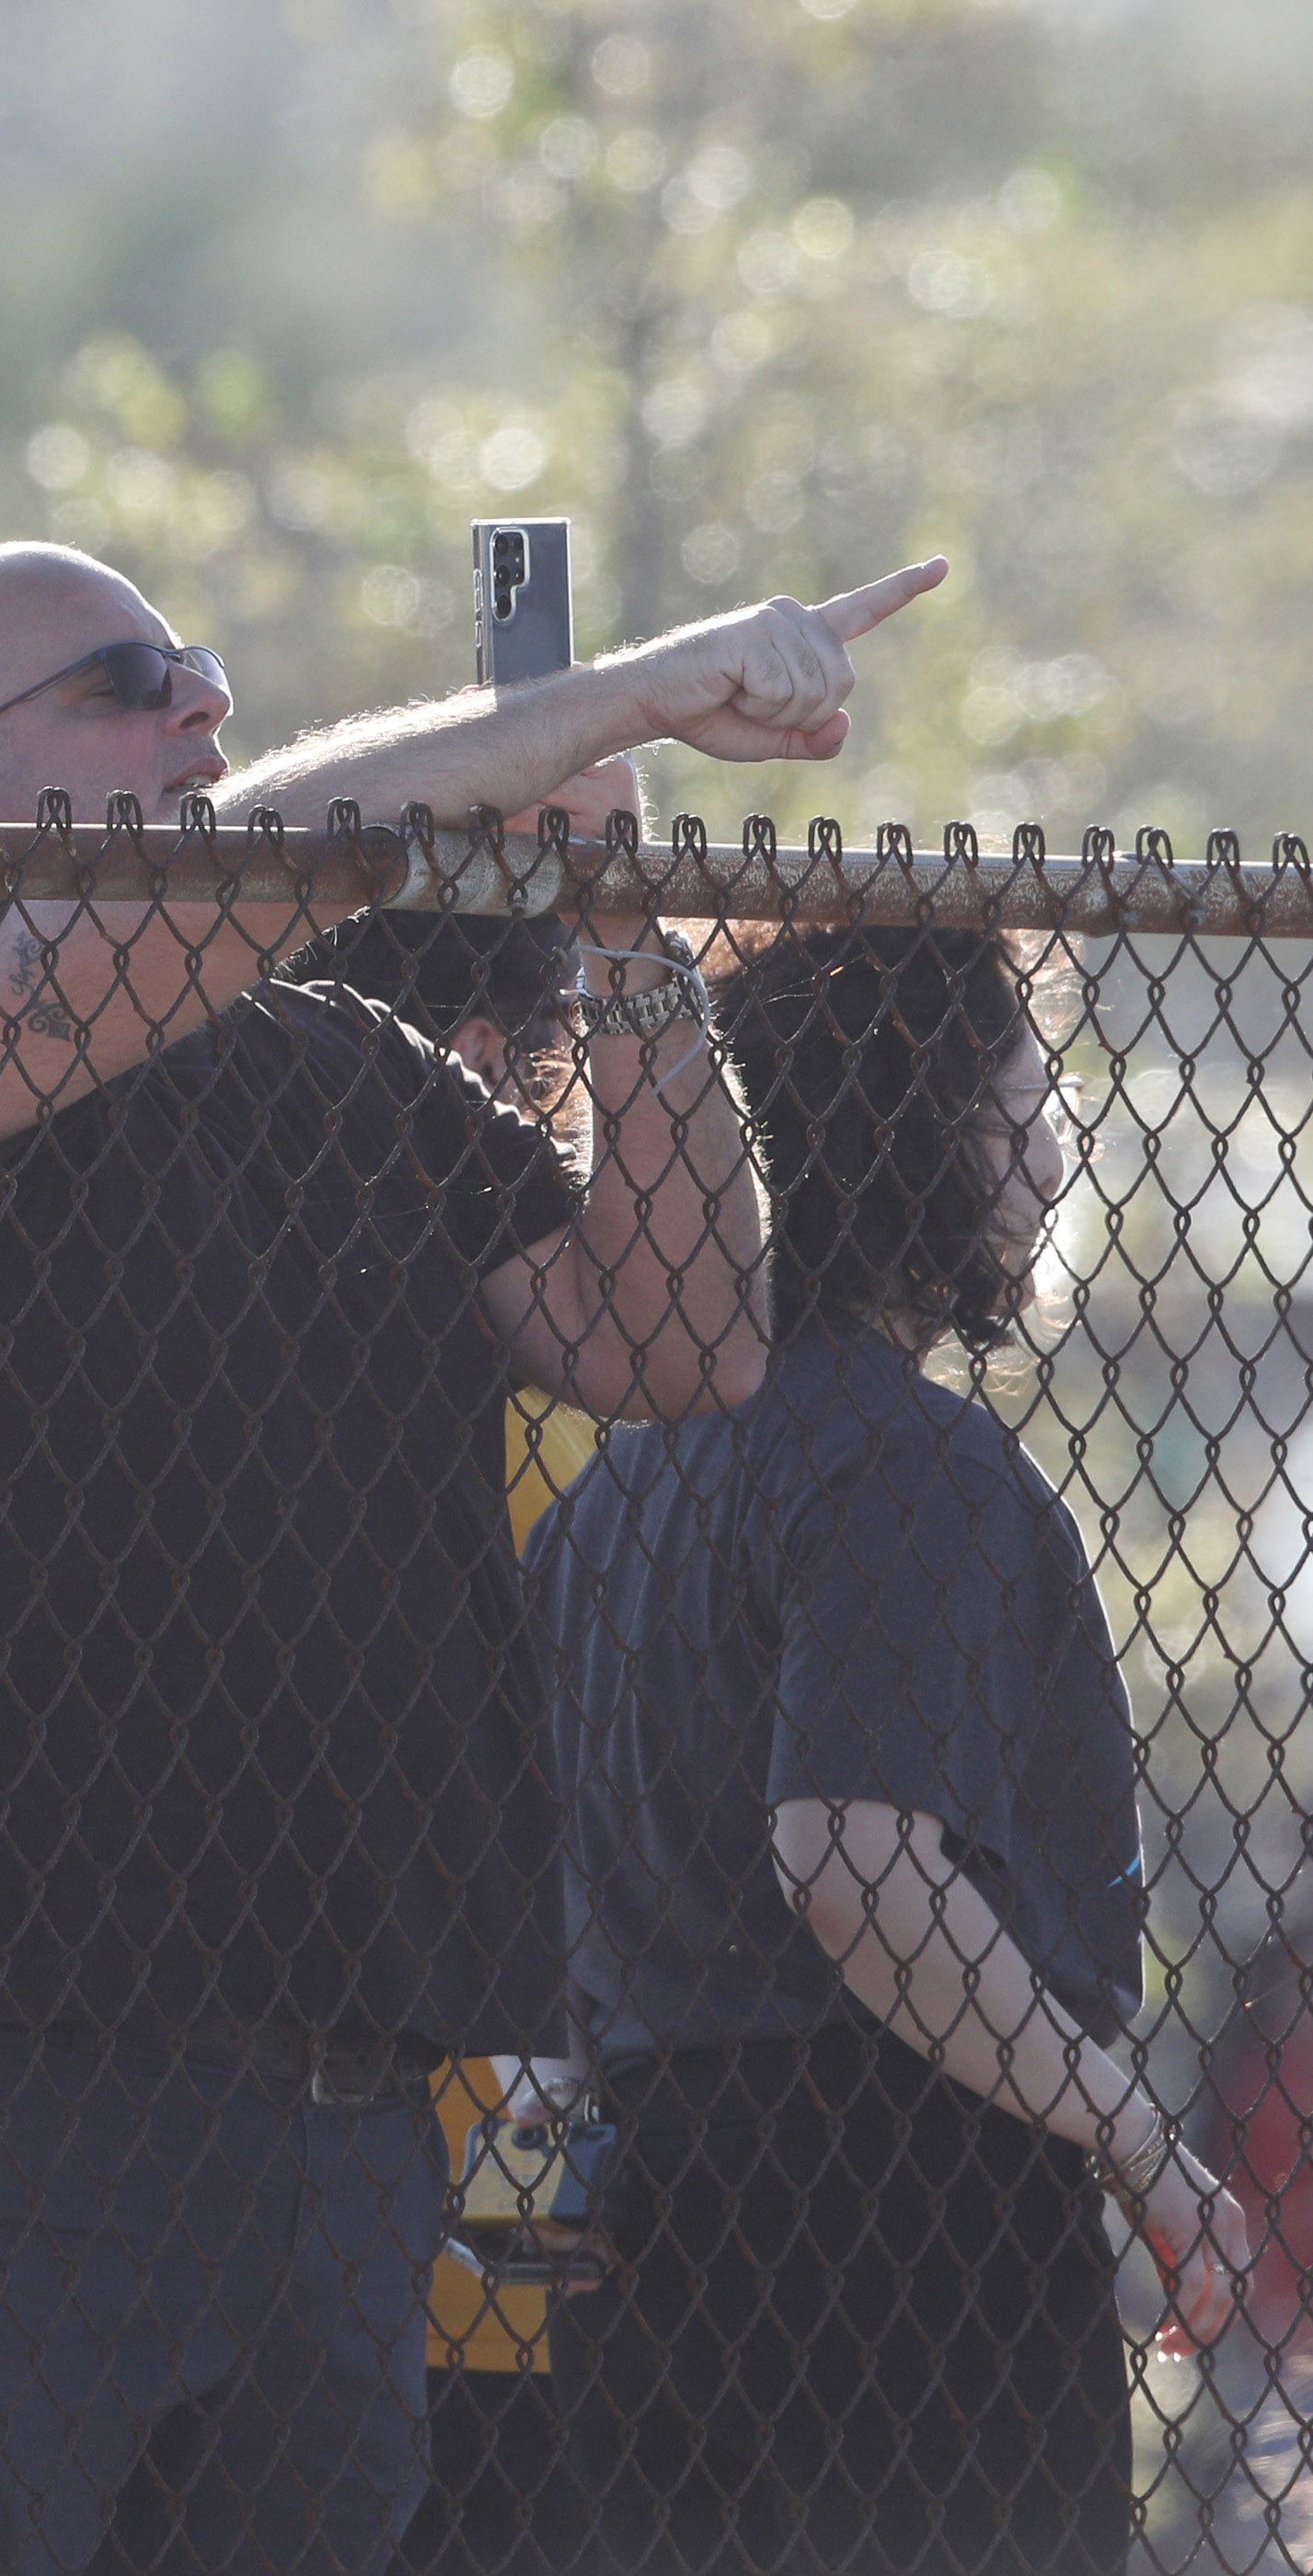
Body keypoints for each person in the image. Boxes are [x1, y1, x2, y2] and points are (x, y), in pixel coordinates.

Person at [0, 535, 909, 2570]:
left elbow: (676, 1337)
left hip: (360, 2092)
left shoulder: (329, 1057)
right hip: (46, 2081)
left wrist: (620, 923)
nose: (204, 706)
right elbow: (169, 916)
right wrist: (598, 693)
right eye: (131, 680)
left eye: (201, 666)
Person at [531, 925, 1252, 2574]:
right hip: (901, 2212)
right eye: (1018, 1111)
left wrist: (529, 2241)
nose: (1055, 1154)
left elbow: (535, 1925)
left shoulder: (603, 1502)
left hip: (640, 2219)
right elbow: (855, 1866)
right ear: (913, 1137)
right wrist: (1136, 2139)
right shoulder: (902, 1462)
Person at [280, 863, 601, 2576]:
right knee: (495, 2456)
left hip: (347, 2008)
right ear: (480, 1058)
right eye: (562, 1060)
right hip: (514, 2014)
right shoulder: (539, 1371)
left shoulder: (290, 1320)